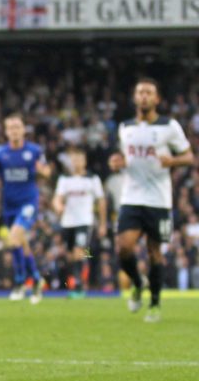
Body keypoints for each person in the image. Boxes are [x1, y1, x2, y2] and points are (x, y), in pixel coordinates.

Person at [116, 77, 193, 322]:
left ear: (157, 99)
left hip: (159, 200)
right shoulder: (125, 127)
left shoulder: (169, 126)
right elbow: (125, 159)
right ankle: (138, 284)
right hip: (131, 196)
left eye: (149, 92)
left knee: (154, 252)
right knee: (124, 247)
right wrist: (117, 163)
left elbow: (189, 157)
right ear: (135, 98)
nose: (144, 96)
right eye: (140, 92)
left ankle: (155, 303)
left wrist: (173, 161)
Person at [0, 113, 51, 303]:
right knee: (19, 244)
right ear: (6, 131)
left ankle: (22, 282)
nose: (14, 131)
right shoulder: (0, 153)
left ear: (23, 129)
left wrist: (43, 172)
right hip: (8, 205)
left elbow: (46, 173)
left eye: (17, 127)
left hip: (28, 203)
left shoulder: (35, 151)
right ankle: (34, 280)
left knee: (14, 238)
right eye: (10, 127)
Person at [52, 149, 106, 297]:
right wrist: (58, 206)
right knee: (71, 255)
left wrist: (102, 223)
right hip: (68, 222)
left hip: (84, 221)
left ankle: (79, 286)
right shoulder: (64, 179)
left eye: (79, 159)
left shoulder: (92, 178)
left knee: (79, 251)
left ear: (84, 161)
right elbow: (57, 198)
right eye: (73, 160)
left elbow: (101, 201)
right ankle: (76, 280)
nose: (76, 163)